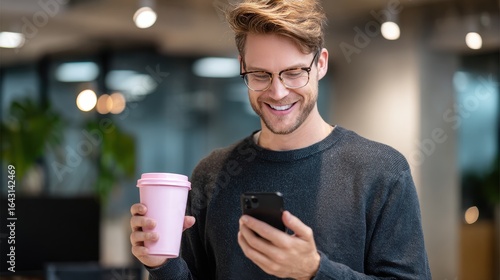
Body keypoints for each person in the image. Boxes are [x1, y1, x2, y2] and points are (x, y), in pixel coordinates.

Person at [130, 0, 432, 279]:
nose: (278, 92)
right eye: (261, 74)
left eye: (294, 72)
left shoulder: (381, 170)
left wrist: (315, 270)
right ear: (242, 68)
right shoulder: (212, 174)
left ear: (321, 64)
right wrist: (162, 264)